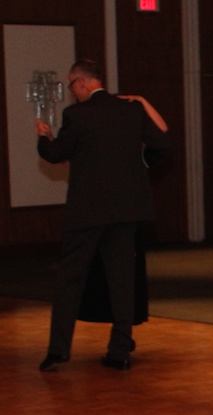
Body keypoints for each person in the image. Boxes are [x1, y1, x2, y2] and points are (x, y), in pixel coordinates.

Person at [34, 59, 170, 372]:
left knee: (70, 280)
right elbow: (162, 142)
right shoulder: (131, 110)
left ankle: (58, 351)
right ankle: (120, 351)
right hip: (126, 210)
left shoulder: (77, 115)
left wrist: (44, 137)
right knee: (122, 281)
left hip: (87, 211)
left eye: (72, 86)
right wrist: (141, 166)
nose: (73, 92)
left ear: (82, 83)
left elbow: (56, 155)